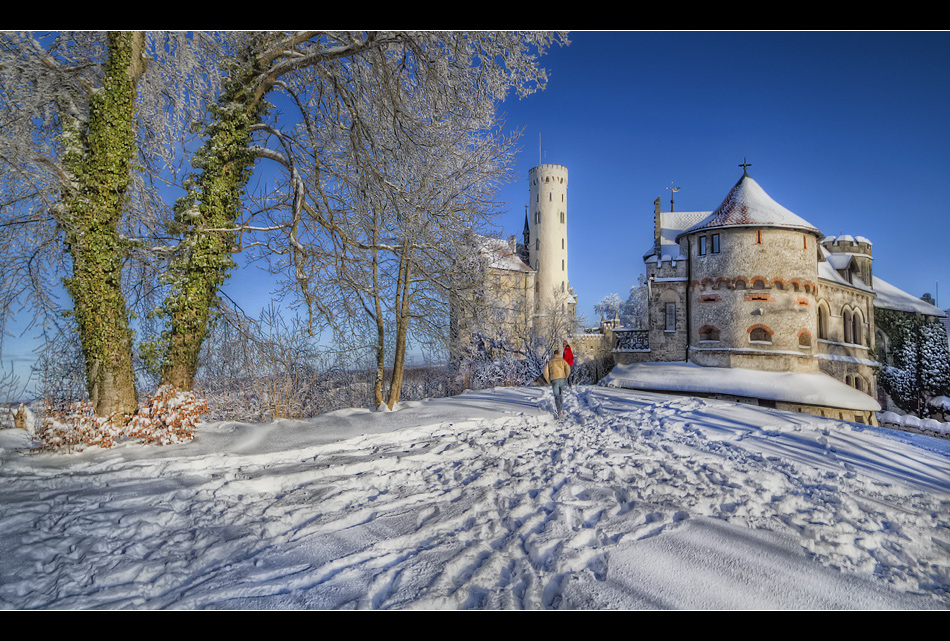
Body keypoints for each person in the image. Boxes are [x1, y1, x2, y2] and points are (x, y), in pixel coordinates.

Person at [544, 349, 571, 418]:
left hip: (554, 379)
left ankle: (559, 411)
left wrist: (548, 380)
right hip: (562, 379)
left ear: (553, 354)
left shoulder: (550, 362)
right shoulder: (562, 361)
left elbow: (545, 372)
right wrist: (565, 376)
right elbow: (568, 369)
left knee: (556, 396)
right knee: (560, 394)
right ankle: (560, 410)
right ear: (559, 354)